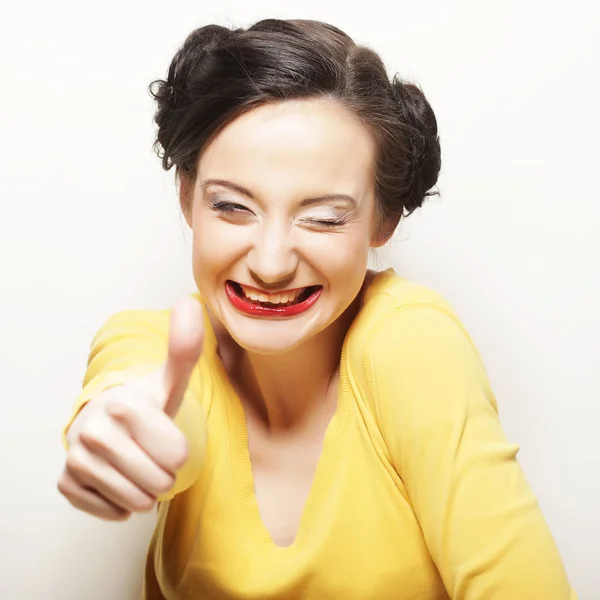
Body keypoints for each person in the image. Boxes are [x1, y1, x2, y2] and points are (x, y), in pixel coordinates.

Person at [58, 18, 576, 600]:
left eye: (324, 218)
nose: (272, 262)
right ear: (187, 197)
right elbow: (140, 395)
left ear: (384, 220)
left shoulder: (410, 342)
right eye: (231, 207)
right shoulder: (160, 345)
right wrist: (128, 433)